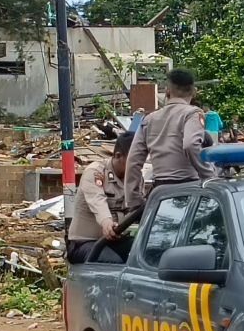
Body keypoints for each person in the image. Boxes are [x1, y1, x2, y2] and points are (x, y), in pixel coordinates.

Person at [124, 69, 215, 209]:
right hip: (189, 190)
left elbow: (133, 161)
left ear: (167, 91)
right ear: (194, 91)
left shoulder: (149, 119)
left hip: (160, 193)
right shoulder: (192, 114)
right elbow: (191, 144)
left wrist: (134, 201)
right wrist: (209, 177)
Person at [67, 133, 134, 264]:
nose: (138, 164)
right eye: (133, 159)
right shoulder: (95, 172)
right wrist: (107, 223)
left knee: (148, 253)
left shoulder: (135, 178)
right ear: (118, 156)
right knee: (112, 262)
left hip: (115, 241)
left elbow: (139, 205)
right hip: (85, 243)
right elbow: (97, 202)